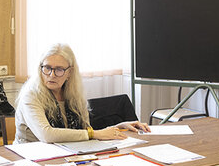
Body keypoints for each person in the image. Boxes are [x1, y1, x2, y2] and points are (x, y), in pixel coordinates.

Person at [15, 43, 150, 143]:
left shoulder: (73, 94)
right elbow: (47, 135)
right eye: (47, 68)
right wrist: (96, 133)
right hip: (31, 161)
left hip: (66, 156)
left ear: (70, 72)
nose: (52, 75)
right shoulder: (31, 95)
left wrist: (119, 127)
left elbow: (86, 131)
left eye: (59, 69)